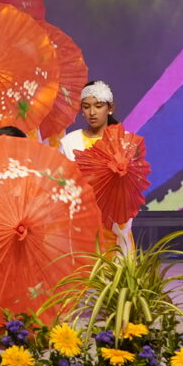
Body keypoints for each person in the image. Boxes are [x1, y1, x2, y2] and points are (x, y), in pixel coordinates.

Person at [60, 81, 137, 254]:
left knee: (117, 265)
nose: (92, 112)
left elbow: (133, 184)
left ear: (110, 108)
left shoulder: (125, 141)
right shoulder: (70, 142)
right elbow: (62, 183)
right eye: (86, 107)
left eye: (98, 106)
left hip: (115, 220)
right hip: (81, 218)